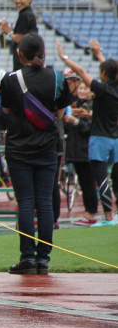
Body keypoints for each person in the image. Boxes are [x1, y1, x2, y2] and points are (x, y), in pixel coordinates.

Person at [0, 33, 72, 274]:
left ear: (20, 55)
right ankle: (43, 259)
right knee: (45, 203)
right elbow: (60, 115)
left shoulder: (11, 79)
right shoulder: (58, 78)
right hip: (47, 147)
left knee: (25, 203)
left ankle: (27, 258)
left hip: (19, 148)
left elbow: (7, 109)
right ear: (44, 54)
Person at [57, 39, 118, 227]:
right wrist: (99, 53)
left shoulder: (101, 90)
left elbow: (82, 72)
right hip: (115, 139)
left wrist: (64, 57)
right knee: (115, 178)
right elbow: (110, 69)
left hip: (99, 139)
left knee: (101, 179)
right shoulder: (114, 89)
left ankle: (108, 217)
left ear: (103, 74)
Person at [61, 71, 99, 225]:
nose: (82, 91)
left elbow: (88, 128)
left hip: (87, 151)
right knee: (84, 184)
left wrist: (74, 121)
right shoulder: (76, 105)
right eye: (81, 88)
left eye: (86, 88)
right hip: (77, 150)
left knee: (88, 183)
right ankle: (88, 213)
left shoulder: (92, 107)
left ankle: (91, 215)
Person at [0, 0, 38, 72]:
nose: (17, 1)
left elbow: (19, 39)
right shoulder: (27, 14)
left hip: (24, 62)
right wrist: (9, 31)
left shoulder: (25, 15)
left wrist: (8, 31)